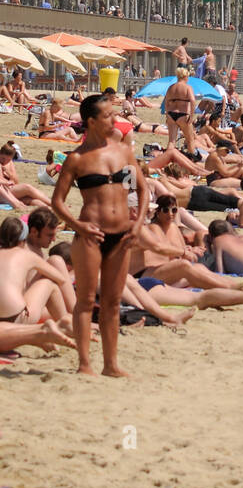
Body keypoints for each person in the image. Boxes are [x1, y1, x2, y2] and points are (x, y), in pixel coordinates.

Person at [50, 94, 149, 376]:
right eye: (107, 115)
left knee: (112, 302)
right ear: (91, 121)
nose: (114, 119)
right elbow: (57, 201)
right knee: (84, 301)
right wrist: (77, 226)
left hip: (122, 237)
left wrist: (138, 222)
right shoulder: (77, 160)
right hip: (90, 236)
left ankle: (111, 364)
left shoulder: (123, 151)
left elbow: (140, 189)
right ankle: (84, 364)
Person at [164, 68, 198, 153]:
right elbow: (193, 101)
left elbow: (166, 102)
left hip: (171, 114)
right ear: (185, 76)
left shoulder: (171, 87)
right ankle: (192, 161)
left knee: (172, 141)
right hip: (183, 114)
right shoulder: (187, 87)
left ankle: (169, 160)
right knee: (190, 140)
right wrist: (191, 116)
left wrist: (167, 114)